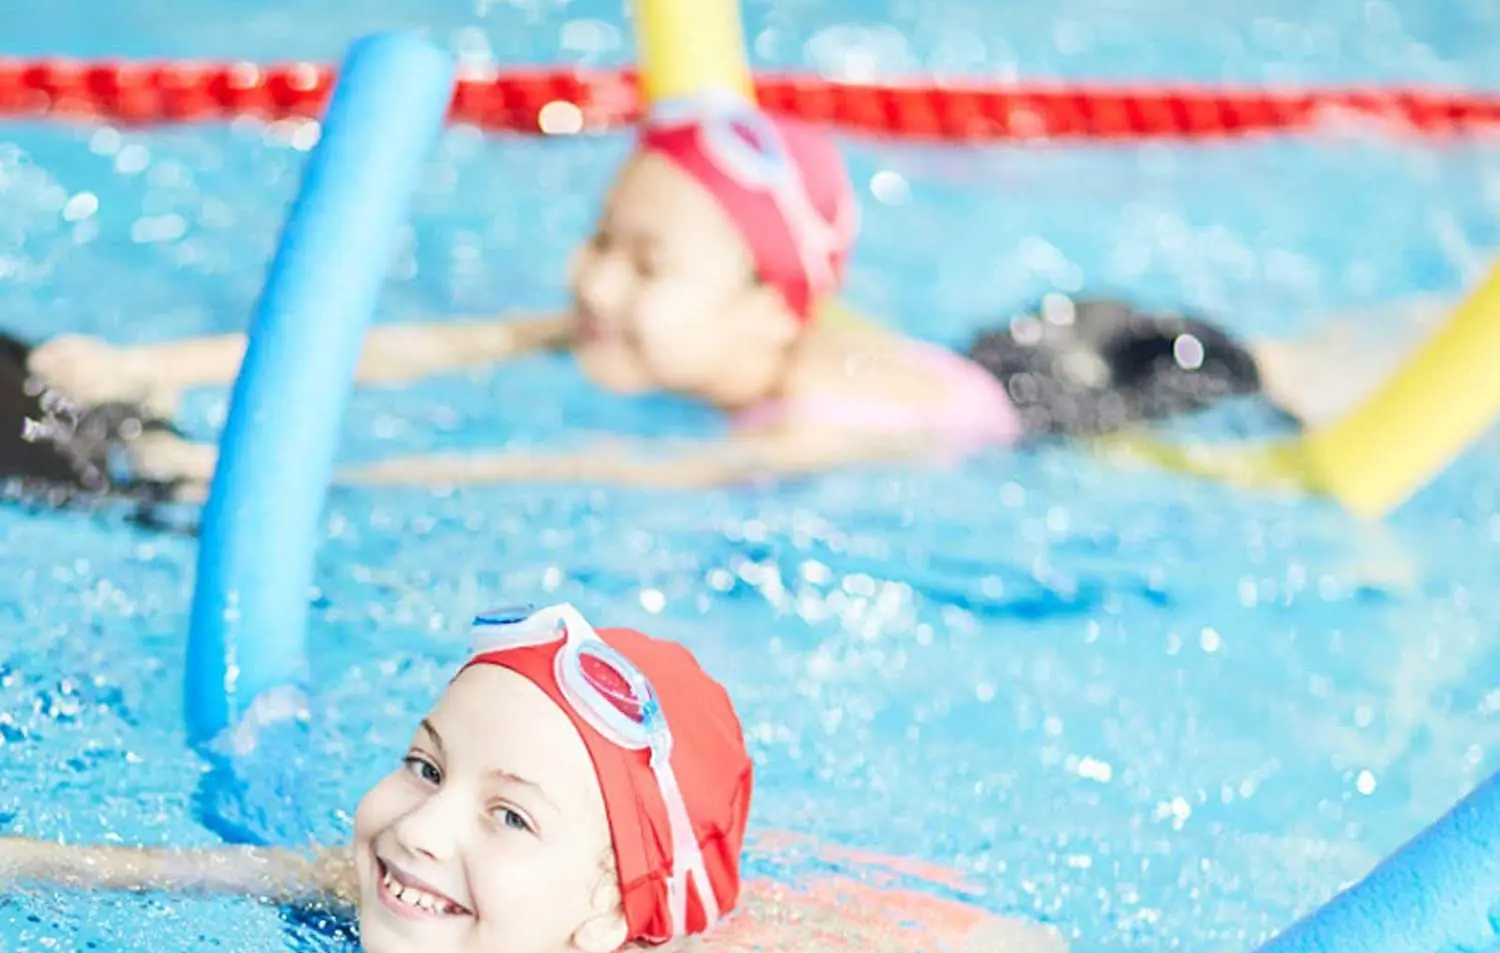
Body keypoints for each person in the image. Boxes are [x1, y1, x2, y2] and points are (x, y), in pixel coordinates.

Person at [6, 98, 1448, 513]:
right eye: (603, 239)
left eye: (643, 263)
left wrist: (265, 474)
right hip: (1010, 345)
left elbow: (569, 463)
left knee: (1309, 384)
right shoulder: (668, 324)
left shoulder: (804, 416)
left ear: (769, 312)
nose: (591, 283)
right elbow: (406, 346)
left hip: (1089, 389)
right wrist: (151, 362)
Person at [0, 602, 1108, 953]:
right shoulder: (427, 871)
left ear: (602, 920)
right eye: (425, 766)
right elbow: (190, 870)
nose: (423, 829)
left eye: (511, 818)